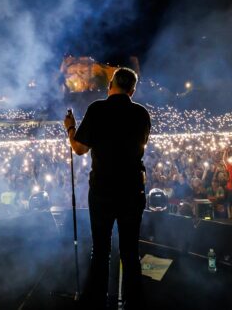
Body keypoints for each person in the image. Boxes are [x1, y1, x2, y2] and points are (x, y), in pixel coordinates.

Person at [64, 67, 150, 309]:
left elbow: (80, 149)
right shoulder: (142, 114)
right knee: (130, 251)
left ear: (109, 84)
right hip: (132, 190)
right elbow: (141, 144)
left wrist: (70, 128)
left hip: (102, 191)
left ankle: (96, 302)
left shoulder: (97, 109)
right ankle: (135, 303)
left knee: (100, 250)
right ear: (132, 90)